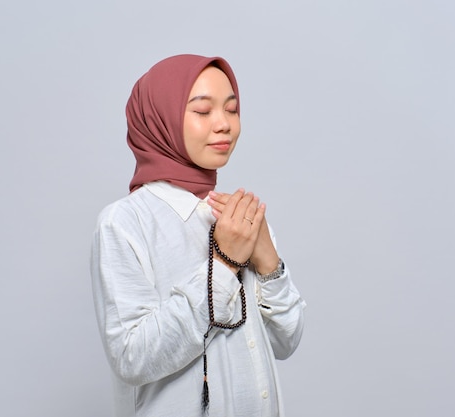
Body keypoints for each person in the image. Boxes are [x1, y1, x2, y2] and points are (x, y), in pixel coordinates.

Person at [90, 54, 306, 417]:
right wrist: (223, 265)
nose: (224, 125)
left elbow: (285, 342)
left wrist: (269, 263)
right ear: (161, 120)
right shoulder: (125, 222)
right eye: (203, 112)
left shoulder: (240, 217)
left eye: (232, 110)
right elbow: (132, 358)